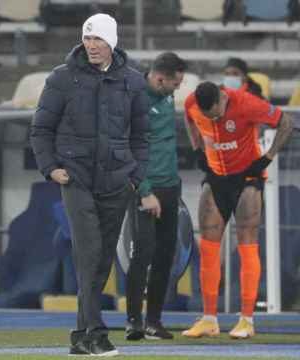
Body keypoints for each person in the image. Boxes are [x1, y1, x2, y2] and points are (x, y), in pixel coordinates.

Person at [30, 13, 149, 356]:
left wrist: (135, 176)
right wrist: (50, 168)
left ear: (112, 42)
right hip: (76, 178)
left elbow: (143, 137)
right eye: (87, 38)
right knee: (90, 253)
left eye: (98, 39)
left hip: (117, 181)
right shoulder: (62, 78)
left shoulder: (134, 81)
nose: (92, 45)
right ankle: (96, 333)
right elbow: (40, 129)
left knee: (101, 261)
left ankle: (81, 336)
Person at [182, 82, 294, 339]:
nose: (215, 120)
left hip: (247, 179)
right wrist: (197, 148)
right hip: (216, 178)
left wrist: (267, 157)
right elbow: (189, 120)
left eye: (217, 115)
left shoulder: (247, 104)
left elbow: (286, 122)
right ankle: (209, 319)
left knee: (247, 243)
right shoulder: (191, 104)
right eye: (209, 118)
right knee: (209, 246)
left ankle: (246, 320)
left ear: (222, 99)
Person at [124, 52, 186, 341]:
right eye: (174, 84)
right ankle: (133, 321)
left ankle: (154, 321)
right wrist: (145, 191)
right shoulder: (136, 99)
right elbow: (129, 148)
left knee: (164, 256)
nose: (177, 90)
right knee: (142, 253)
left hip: (171, 186)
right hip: (145, 189)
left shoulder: (166, 95)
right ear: (160, 79)